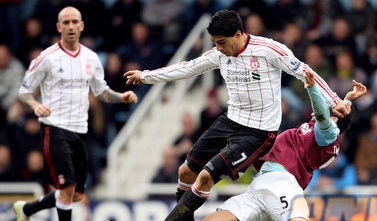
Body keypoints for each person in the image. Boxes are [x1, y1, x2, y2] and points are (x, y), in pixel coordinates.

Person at [124, 9, 348, 221]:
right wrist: (146, 76)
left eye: (222, 42)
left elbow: (305, 72)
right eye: (214, 43)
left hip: (258, 132)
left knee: (205, 177)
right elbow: (188, 67)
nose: (218, 48)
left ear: (239, 34)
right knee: (185, 172)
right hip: (230, 121)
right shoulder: (219, 54)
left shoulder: (269, 49)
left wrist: (335, 100)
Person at [13, 6, 138, 221]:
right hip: (55, 128)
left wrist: (121, 97)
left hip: (81, 130)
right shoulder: (47, 58)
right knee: (68, 188)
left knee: (76, 194)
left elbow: (101, 92)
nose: (70, 26)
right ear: (58, 27)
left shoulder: (91, 58)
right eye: (66, 22)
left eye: (74, 22)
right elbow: (24, 91)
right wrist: (35, 106)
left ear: (81, 26)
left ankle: (26, 210)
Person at [202, 70, 367, 221]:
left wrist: (312, 88)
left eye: (329, 103)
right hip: (262, 182)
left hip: (282, 181)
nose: (326, 101)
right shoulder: (320, 128)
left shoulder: (330, 134)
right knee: (225, 216)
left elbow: (323, 116)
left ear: (335, 119)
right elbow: (337, 113)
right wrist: (349, 100)